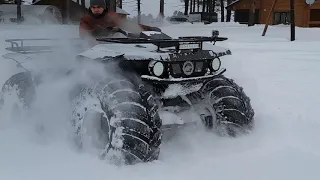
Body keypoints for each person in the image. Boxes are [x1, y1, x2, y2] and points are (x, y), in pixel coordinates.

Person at [79, 0, 162, 41]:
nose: (96, 9)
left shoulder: (111, 16)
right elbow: (84, 34)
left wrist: (150, 29)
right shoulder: (86, 19)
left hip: (116, 48)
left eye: (98, 7)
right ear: (90, 8)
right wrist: (98, 32)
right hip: (95, 48)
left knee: (121, 35)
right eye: (93, 7)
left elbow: (129, 25)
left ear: (103, 7)